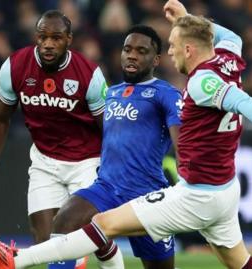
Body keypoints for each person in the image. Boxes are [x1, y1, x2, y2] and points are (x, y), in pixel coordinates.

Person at [0, 1, 252, 269]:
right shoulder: (226, 56)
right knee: (241, 263)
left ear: (188, 50)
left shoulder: (196, 83)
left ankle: (18, 260)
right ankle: (18, 260)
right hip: (219, 190)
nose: (170, 51)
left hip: (190, 193)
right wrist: (186, 18)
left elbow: (239, 100)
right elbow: (233, 38)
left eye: (172, 45)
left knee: (107, 230)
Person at [0, 10, 119, 269]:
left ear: (69, 39)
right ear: (36, 37)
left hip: (87, 161)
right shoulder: (15, 66)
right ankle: (75, 260)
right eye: (42, 37)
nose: (48, 44)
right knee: (46, 244)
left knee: (82, 234)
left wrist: (114, 170)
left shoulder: (89, 74)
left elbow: (108, 128)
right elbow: (0, 118)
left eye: (56, 38)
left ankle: (21, 260)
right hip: (44, 160)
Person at [48, 25, 181, 269]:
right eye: (127, 49)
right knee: (64, 220)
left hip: (147, 195)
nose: (132, 55)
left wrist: (187, 186)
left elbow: (182, 141)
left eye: (141, 51)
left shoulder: (167, 94)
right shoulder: (111, 93)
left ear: (156, 60)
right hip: (107, 188)